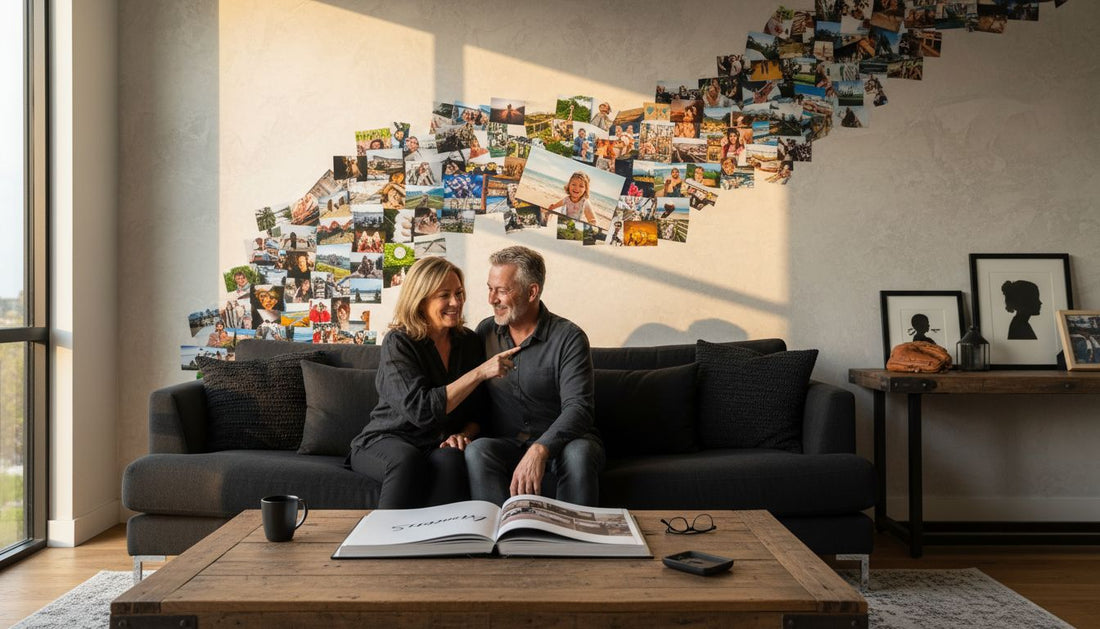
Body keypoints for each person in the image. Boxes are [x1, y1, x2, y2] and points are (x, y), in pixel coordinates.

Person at [348, 257, 521, 508]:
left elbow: (481, 413)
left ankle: (443, 542)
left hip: (437, 443)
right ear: (421, 300)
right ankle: (383, 543)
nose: (456, 302)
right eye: (444, 295)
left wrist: (462, 434)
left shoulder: (469, 342)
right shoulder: (399, 343)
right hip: (387, 440)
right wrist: (480, 372)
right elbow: (422, 410)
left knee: (452, 459)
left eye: (459, 293)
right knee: (406, 459)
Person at [466, 246, 604, 507]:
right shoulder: (485, 332)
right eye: (490, 288)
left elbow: (580, 408)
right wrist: (460, 431)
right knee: (478, 450)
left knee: (579, 453)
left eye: (502, 290)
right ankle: (497, 537)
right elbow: (474, 395)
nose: (491, 299)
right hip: (509, 442)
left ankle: (575, 541)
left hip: (566, 442)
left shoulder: (569, 338)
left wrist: (541, 448)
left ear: (532, 292)